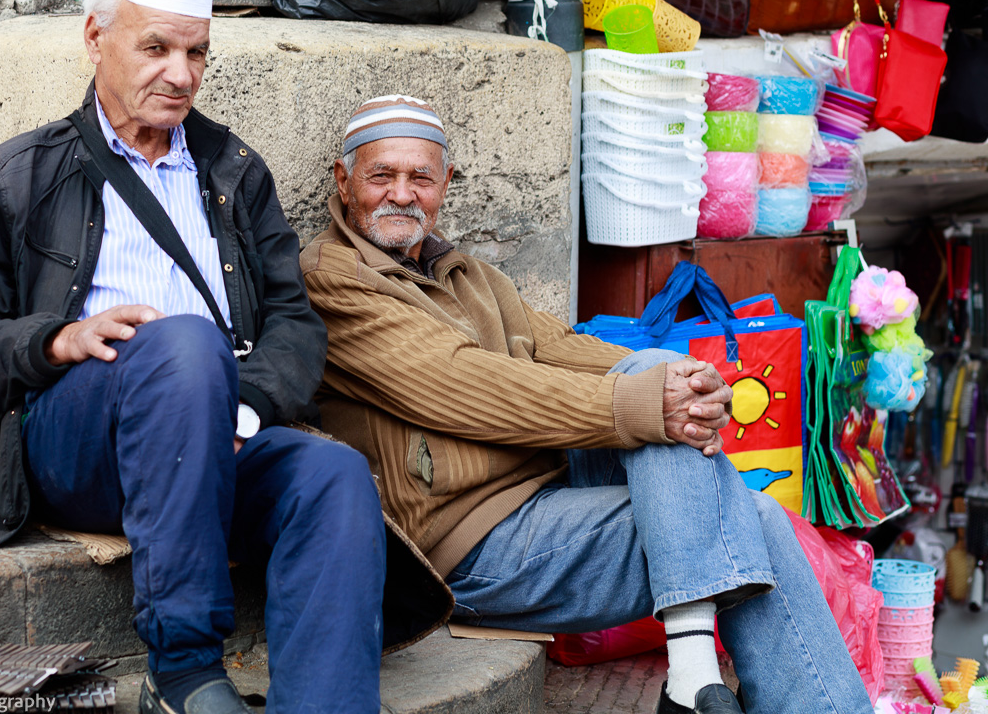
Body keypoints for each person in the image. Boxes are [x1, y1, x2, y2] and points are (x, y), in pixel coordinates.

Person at [0, 0, 388, 714]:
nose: (181, 75)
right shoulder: (19, 176)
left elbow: (294, 325)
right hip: (79, 440)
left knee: (333, 476)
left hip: (215, 431)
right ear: (94, 37)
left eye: (197, 53)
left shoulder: (234, 173)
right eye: (157, 48)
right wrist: (53, 340)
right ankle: (184, 672)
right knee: (182, 342)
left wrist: (241, 411)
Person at [298, 95, 877, 714]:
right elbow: (463, 384)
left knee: (660, 377)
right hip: (465, 545)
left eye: (421, 177)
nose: (402, 194)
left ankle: (694, 675)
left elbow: (564, 349)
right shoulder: (332, 278)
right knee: (747, 518)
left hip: (548, 500)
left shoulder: (469, 276)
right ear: (344, 178)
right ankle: (697, 674)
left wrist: (689, 383)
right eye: (381, 175)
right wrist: (648, 404)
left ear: (445, 183)